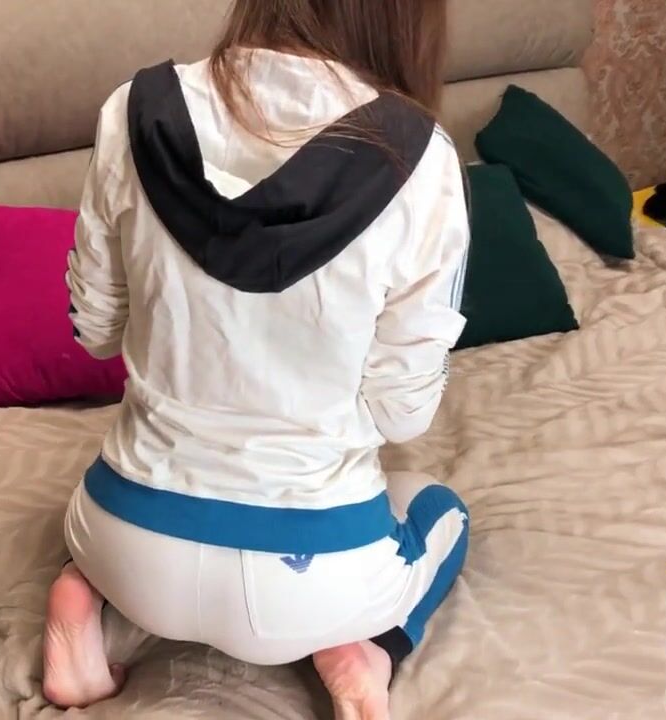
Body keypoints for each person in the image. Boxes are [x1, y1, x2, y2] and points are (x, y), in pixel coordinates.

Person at [45, 1, 469, 717]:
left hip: (122, 540)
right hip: (313, 578)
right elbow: (403, 415)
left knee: (121, 547)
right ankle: (369, 648)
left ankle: (89, 606)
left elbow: (93, 331)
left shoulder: (133, 110)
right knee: (440, 509)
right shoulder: (423, 158)